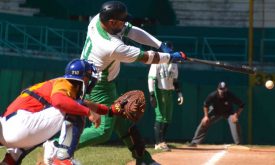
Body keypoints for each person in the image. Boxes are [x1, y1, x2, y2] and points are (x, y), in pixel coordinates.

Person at [43, 1, 187, 165]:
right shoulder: (112, 46)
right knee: (103, 131)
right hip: (97, 85)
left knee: (124, 124)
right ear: (112, 22)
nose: (125, 23)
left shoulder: (99, 19)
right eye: (121, 20)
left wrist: (160, 45)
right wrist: (170, 58)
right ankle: (57, 147)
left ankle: (143, 160)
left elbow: (132, 32)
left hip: (100, 80)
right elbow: (147, 57)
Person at [0, 59, 126, 165]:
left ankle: (9, 161)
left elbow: (86, 103)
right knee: (72, 107)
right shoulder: (64, 82)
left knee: (74, 105)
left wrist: (110, 111)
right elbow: (59, 101)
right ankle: (62, 158)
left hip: (9, 127)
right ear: (83, 77)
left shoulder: (66, 87)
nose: (92, 80)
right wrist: (87, 112)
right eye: (89, 76)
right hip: (20, 125)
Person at [148, 42, 183, 152]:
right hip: (159, 90)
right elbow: (151, 78)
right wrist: (152, 94)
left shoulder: (174, 64)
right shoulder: (157, 62)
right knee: (160, 117)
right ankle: (158, 143)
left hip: (169, 92)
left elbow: (175, 81)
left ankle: (163, 141)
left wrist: (179, 93)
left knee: (167, 118)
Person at [187, 81, 245, 147]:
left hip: (228, 113)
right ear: (218, 89)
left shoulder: (230, 95)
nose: (222, 91)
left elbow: (241, 105)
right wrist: (206, 116)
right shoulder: (213, 95)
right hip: (215, 112)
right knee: (204, 122)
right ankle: (194, 142)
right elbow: (205, 105)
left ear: (226, 89)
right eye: (221, 89)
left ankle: (239, 144)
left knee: (235, 122)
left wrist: (236, 115)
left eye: (224, 89)